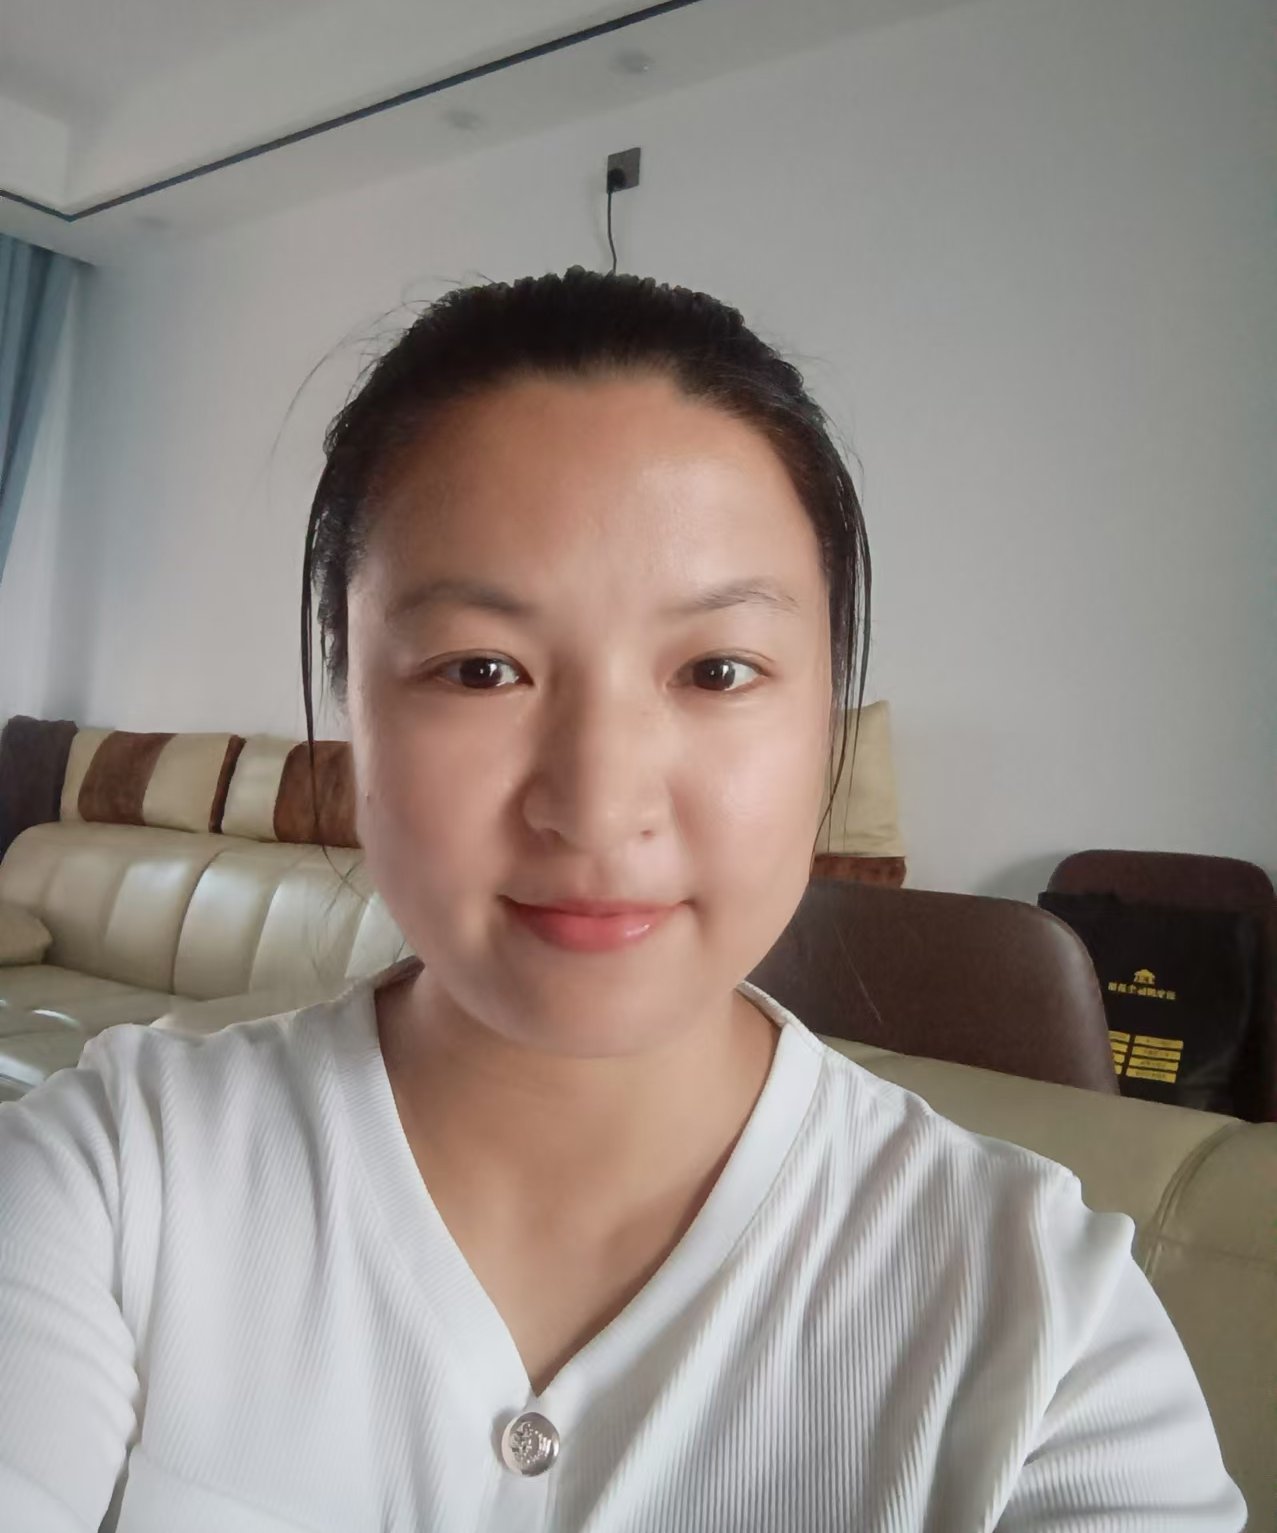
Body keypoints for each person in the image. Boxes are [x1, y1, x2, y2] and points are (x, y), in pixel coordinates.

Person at [0, 268, 1246, 1531]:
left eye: (717, 671)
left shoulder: (1044, 1332)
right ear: (349, 703)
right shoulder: (107, 1182)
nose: (596, 807)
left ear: (826, 717)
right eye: (480, 670)